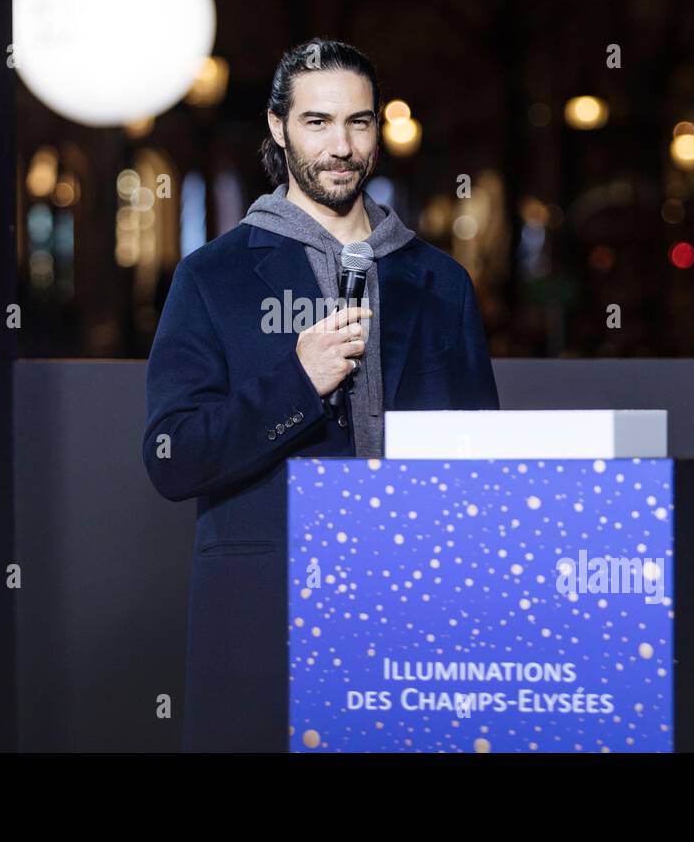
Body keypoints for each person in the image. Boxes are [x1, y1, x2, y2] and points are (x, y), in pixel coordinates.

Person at [142, 38, 499, 751]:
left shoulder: (440, 283)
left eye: (359, 123)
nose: (342, 145)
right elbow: (172, 457)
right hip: (265, 620)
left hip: (412, 617)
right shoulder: (214, 278)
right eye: (318, 122)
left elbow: (481, 470)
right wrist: (296, 383)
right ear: (278, 128)